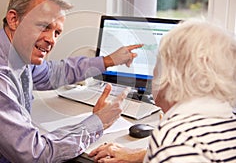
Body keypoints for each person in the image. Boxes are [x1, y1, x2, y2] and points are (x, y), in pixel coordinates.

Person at [0, 0, 143, 162]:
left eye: (57, 32)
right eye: (44, 26)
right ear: (14, 20)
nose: (51, 39)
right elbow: (35, 154)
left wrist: (108, 60)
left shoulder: (10, 54)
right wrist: (99, 121)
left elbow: (54, 72)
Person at [89, 19, 236, 163]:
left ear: (170, 75)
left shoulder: (175, 139)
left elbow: (178, 150)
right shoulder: (229, 120)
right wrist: (141, 155)